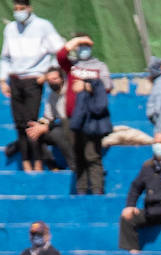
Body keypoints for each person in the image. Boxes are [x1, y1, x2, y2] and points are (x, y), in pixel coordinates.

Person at [0, 0, 64, 172]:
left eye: (22, 8)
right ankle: (26, 163)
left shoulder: (43, 26)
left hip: (35, 78)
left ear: (29, 8)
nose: (19, 12)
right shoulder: (10, 29)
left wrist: (48, 73)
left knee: (31, 122)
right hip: (15, 79)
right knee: (19, 123)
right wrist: (2, 80)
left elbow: (59, 50)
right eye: (15, 9)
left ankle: (40, 163)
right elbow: (5, 57)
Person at [56, 34, 111, 193]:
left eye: (86, 45)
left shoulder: (99, 66)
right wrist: (76, 41)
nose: (83, 48)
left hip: (91, 119)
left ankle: (96, 190)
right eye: (81, 45)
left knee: (92, 156)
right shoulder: (72, 66)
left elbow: (107, 86)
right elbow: (60, 56)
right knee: (78, 156)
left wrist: (87, 86)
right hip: (73, 118)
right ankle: (80, 190)